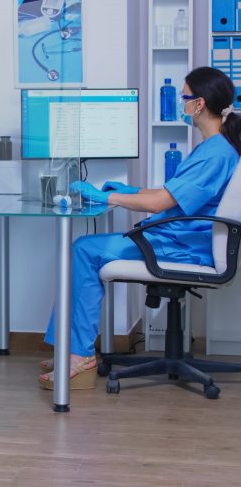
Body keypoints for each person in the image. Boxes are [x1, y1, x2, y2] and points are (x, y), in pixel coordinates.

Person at [39, 66, 241, 389]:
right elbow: (171, 195)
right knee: (85, 250)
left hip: (182, 247)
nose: (181, 102)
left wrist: (114, 199)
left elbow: (161, 203)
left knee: (83, 251)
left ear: (200, 104)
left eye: (184, 96)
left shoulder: (215, 153)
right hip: (179, 238)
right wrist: (126, 191)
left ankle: (78, 354)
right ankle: (70, 347)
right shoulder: (212, 148)